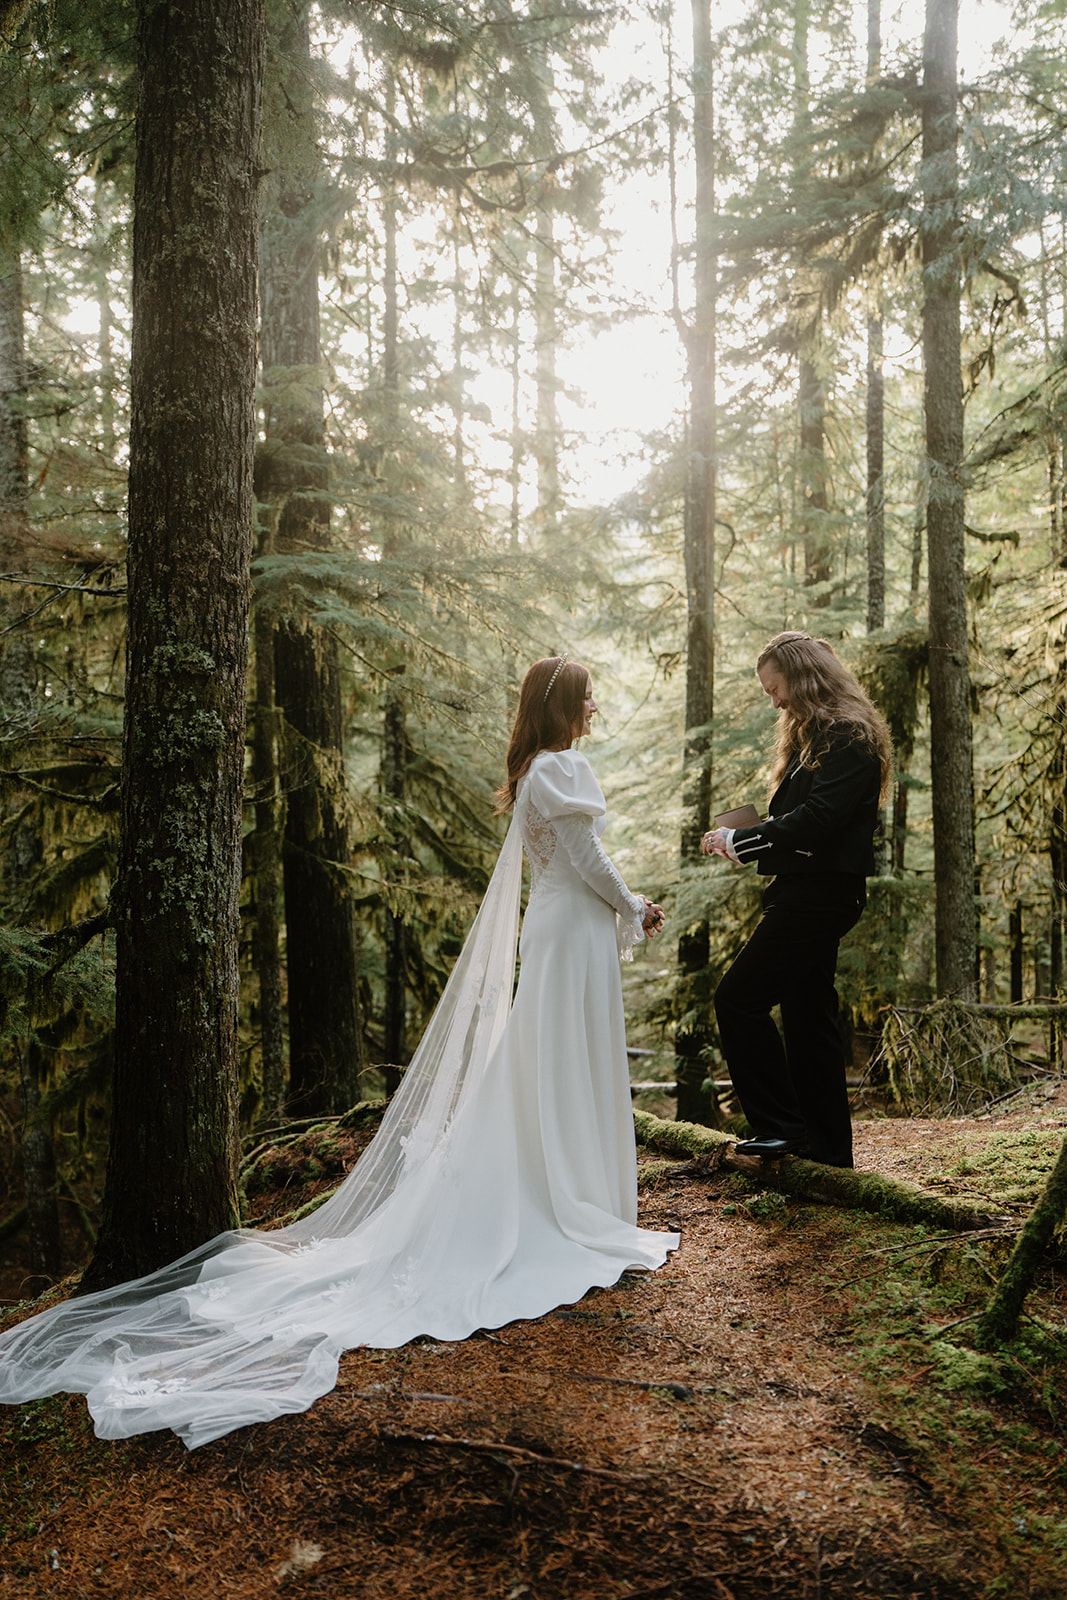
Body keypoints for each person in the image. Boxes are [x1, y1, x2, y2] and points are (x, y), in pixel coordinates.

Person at [0, 655, 675, 1448]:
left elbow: (571, 862)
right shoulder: (562, 767)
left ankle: (567, 1186)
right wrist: (633, 904)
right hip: (572, 931)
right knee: (561, 1060)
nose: (595, 703)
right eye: (586, 694)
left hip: (561, 931)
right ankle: (572, 1198)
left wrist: (620, 907)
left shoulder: (537, 769)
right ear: (563, 704)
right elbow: (589, 864)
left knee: (549, 1063)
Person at [701, 631, 892, 1169]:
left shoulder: (849, 736)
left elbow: (820, 821)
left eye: (776, 688)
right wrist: (744, 844)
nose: (775, 700)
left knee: (738, 998)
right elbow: (803, 823)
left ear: (804, 676)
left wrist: (744, 840)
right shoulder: (817, 736)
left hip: (821, 895)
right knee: (809, 1015)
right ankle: (828, 1151)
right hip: (807, 889)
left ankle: (780, 1127)